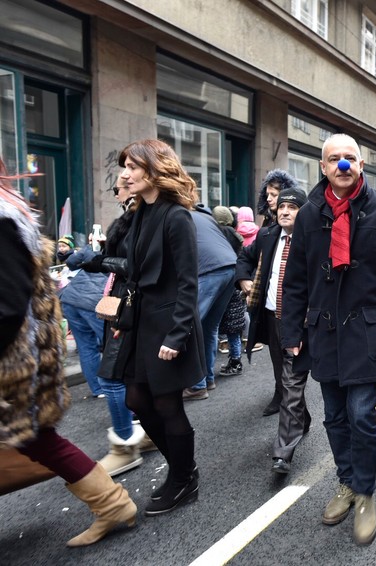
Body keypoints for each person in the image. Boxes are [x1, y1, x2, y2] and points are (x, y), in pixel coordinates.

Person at [279, 133, 376, 546]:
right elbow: (296, 279)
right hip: (324, 332)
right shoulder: (309, 214)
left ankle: (365, 493)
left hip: (368, 331)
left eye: (350, 157)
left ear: (360, 164)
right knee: (334, 416)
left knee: (361, 413)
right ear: (323, 167)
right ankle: (346, 482)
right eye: (334, 158)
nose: (343, 164)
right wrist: (291, 331)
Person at [0, 156, 137, 546]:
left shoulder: (4, 219)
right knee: (39, 438)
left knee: (41, 437)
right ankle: (114, 498)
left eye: (126, 181)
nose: (122, 186)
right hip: (48, 332)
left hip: (15, 357)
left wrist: (92, 260)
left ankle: (118, 483)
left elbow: (9, 305)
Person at [113, 139, 206, 516]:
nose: (125, 174)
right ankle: (184, 469)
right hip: (140, 323)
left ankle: (183, 478)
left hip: (168, 326)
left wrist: (177, 335)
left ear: (155, 170)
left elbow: (188, 282)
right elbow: (127, 265)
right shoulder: (140, 212)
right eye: (125, 167)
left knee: (167, 403)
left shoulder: (176, 216)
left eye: (132, 167)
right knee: (135, 400)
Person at [237, 186, 313, 476]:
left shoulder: (312, 240)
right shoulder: (267, 235)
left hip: (299, 321)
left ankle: (283, 452)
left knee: (291, 382)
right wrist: (244, 279)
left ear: (303, 212)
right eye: (281, 207)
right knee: (285, 380)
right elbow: (244, 258)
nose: (284, 212)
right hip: (270, 319)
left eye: (292, 207)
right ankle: (302, 419)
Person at [79, 179, 152, 477]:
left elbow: (137, 266)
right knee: (133, 375)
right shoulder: (135, 217)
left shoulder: (144, 218)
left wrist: (98, 260)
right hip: (127, 304)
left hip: (130, 306)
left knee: (111, 377)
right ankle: (147, 433)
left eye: (120, 186)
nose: (116, 191)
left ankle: (124, 446)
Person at [182, 203, 238, 399]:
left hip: (209, 269)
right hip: (229, 266)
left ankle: (197, 384)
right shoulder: (204, 215)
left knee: (189, 325)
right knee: (208, 328)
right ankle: (207, 379)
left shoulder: (178, 216)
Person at [59, 245, 108, 399]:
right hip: (95, 302)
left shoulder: (88, 251)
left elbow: (70, 261)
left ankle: (97, 389)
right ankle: (117, 384)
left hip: (71, 299)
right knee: (113, 343)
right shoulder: (119, 253)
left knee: (86, 347)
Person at [211, 206, 247, 378]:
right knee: (234, 329)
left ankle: (210, 367)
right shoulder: (236, 235)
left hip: (220, 282)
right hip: (235, 282)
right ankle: (236, 360)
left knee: (212, 327)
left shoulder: (215, 234)